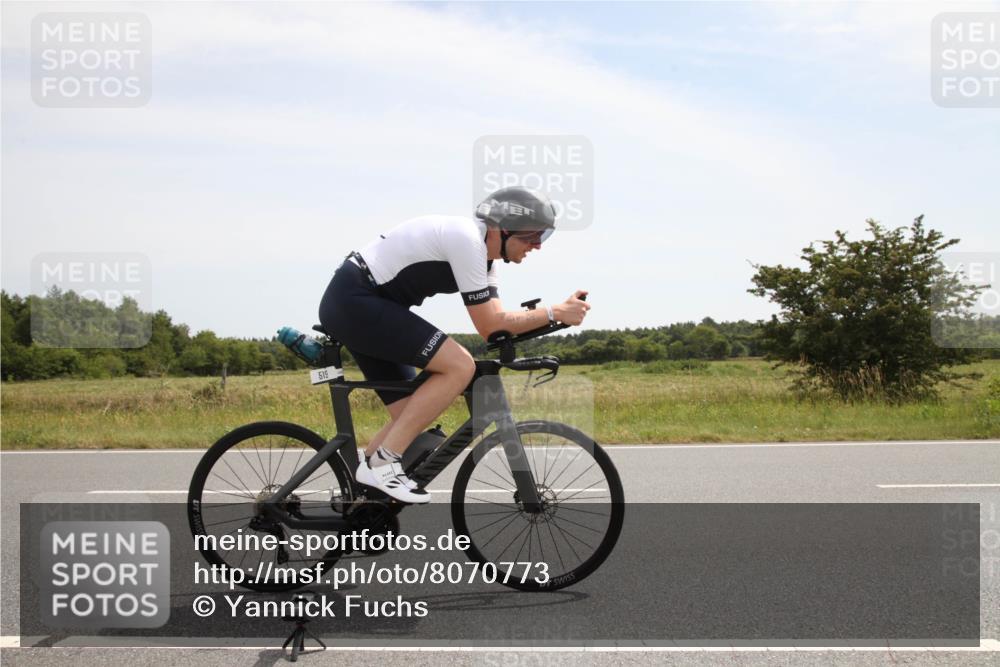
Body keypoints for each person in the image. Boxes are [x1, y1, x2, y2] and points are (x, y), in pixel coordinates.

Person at [317, 186, 590, 504]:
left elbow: (497, 326)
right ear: (503, 230)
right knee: (460, 365)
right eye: (532, 237)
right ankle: (381, 466)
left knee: (410, 415)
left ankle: (358, 502)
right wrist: (554, 312)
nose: (537, 246)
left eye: (541, 238)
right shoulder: (466, 240)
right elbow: (491, 323)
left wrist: (555, 319)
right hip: (356, 301)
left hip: (366, 305)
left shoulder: (485, 261)